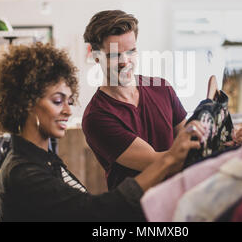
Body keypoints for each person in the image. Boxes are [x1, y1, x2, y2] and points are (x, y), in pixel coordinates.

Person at [0, 42, 203, 221]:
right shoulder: (24, 173)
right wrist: (169, 159)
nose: (68, 110)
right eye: (58, 101)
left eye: (69, 100)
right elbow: (94, 212)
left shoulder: (42, 159)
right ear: (25, 103)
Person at [82, 10, 203, 190]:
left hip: (178, 200)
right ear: (95, 56)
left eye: (131, 51)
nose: (125, 61)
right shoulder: (97, 117)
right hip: (137, 211)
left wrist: (227, 139)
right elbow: (158, 162)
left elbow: (188, 137)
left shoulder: (162, 88)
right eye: (114, 55)